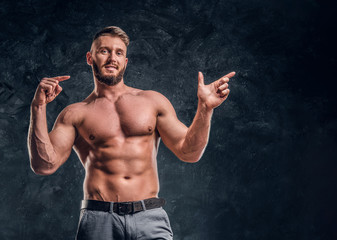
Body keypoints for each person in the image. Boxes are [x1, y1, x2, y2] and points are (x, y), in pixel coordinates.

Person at [27, 26, 235, 240]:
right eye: (104, 51)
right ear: (90, 58)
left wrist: (205, 108)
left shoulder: (152, 102)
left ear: (125, 61)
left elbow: (189, 153)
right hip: (99, 220)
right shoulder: (75, 114)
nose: (112, 58)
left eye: (119, 52)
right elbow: (44, 165)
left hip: (149, 216)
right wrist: (38, 107)